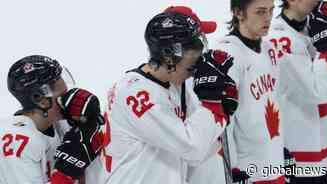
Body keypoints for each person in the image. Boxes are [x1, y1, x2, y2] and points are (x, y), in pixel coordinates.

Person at [85, 9, 238, 184]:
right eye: (192, 53)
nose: (198, 64)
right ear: (169, 56)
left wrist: (222, 110)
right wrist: (212, 103)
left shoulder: (175, 86)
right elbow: (193, 148)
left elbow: (199, 151)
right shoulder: (135, 93)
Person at [193, 0, 285, 183]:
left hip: (273, 164)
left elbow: (274, 101)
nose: (268, 18)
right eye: (260, 12)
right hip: (248, 172)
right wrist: (232, 167)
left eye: (271, 11)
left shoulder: (269, 49)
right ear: (238, 13)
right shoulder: (226, 54)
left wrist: (282, 148)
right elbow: (223, 120)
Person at [268, 0, 327, 183]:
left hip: (321, 157)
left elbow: (326, 92)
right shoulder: (277, 39)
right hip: (296, 160)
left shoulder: (311, 32)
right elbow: (318, 92)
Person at [0, 55, 104, 184]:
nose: (70, 100)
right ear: (41, 100)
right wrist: (66, 172)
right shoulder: (15, 141)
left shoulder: (60, 123)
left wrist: (90, 120)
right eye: (63, 96)